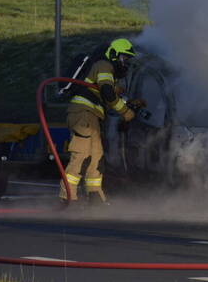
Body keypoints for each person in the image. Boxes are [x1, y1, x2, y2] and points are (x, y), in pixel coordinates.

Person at [59, 38, 145, 204]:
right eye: (124, 58)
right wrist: (126, 112)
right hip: (83, 114)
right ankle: (67, 197)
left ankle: (95, 196)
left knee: (96, 157)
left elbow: (108, 93)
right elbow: (107, 92)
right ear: (114, 54)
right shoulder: (104, 65)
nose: (125, 62)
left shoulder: (106, 71)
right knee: (81, 155)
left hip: (92, 116)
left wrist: (127, 103)